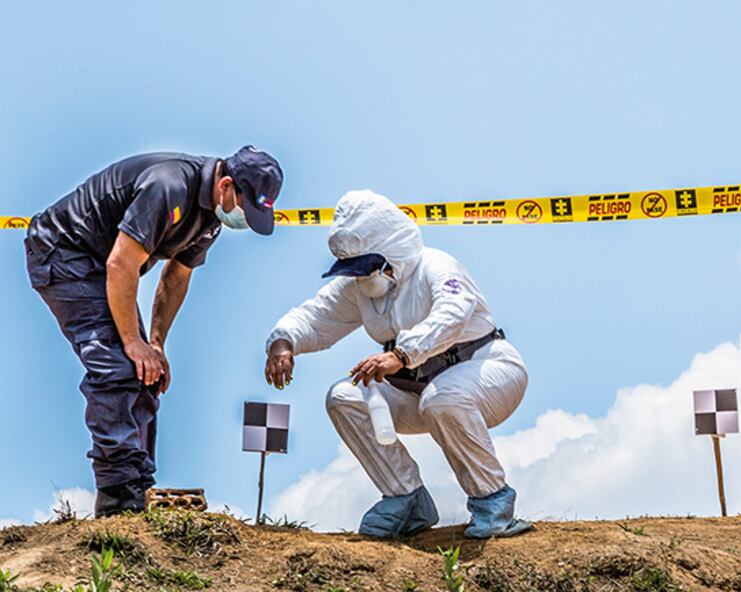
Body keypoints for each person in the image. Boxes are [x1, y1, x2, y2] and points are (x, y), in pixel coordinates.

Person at [25, 146, 284, 516]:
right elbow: (121, 263)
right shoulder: (168, 186)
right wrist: (132, 341)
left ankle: (140, 482)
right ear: (226, 185)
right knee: (115, 366)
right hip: (64, 253)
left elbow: (177, 277)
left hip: (107, 266)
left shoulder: (211, 219)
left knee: (147, 373)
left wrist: (156, 345)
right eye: (246, 207)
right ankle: (118, 494)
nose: (244, 217)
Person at [264, 190, 532, 539]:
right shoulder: (359, 288)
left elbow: (452, 314)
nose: (364, 277)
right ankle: (405, 498)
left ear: (393, 248)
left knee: (444, 398)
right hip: (419, 392)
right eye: (355, 269)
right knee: (344, 396)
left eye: (368, 266)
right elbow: (316, 316)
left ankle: (492, 502)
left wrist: (400, 355)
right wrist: (284, 342)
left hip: (488, 372)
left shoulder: (436, 266)